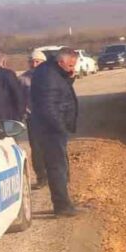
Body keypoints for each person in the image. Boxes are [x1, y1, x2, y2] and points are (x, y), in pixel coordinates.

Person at [29, 48, 81, 217]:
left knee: (61, 166)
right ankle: (62, 206)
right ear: (61, 62)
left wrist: (70, 77)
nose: (73, 67)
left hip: (53, 128)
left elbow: (61, 92)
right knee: (57, 167)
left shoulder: (54, 71)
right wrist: (60, 127)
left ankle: (64, 202)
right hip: (50, 130)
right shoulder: (48, 76)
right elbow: (48, 106)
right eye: (71, 64)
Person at [19, 50, 48, 189]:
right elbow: (18, 99)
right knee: (36, 149)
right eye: (32, 61)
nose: (34, 64)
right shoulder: (23, 79)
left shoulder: (51, 76)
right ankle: (41, 177)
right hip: (33, 118)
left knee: (53, 147)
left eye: (38, 61)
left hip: (50, 117)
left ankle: (59, 176)